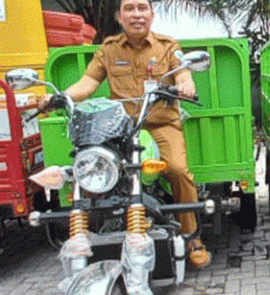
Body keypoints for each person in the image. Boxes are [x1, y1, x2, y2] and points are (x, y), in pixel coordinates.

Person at [39, 0, 211, 268]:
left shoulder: (168, 46)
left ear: (152, 15)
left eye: (142, 8)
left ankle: (192, 238)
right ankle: (89, 234)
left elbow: (183, 75)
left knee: (178, 169)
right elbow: (88, 83)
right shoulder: (108, 50)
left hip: (160, 123)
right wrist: (59, 97)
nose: (136, 14)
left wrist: (186, 85)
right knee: (90, 168)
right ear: (119, 17)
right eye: (129, 9)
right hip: (120, 127)